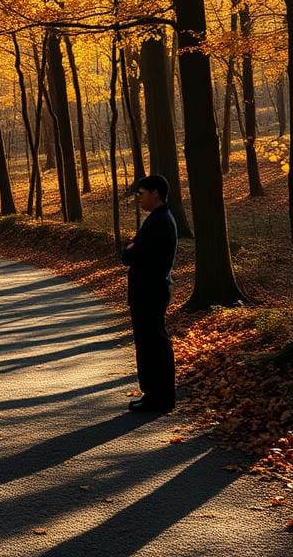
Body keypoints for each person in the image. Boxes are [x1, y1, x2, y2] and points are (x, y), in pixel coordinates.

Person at [122, 174, 177, 413]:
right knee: (151, 342)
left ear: (155, 193)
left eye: (141, 193)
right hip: (150, 290)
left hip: (149, 292)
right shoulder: (158, 219)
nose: (139, 199)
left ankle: (158, 396)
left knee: (152, 343)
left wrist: (131, 249)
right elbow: (134, 252)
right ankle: (157, 394)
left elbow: (132, 255)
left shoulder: (159, 222)